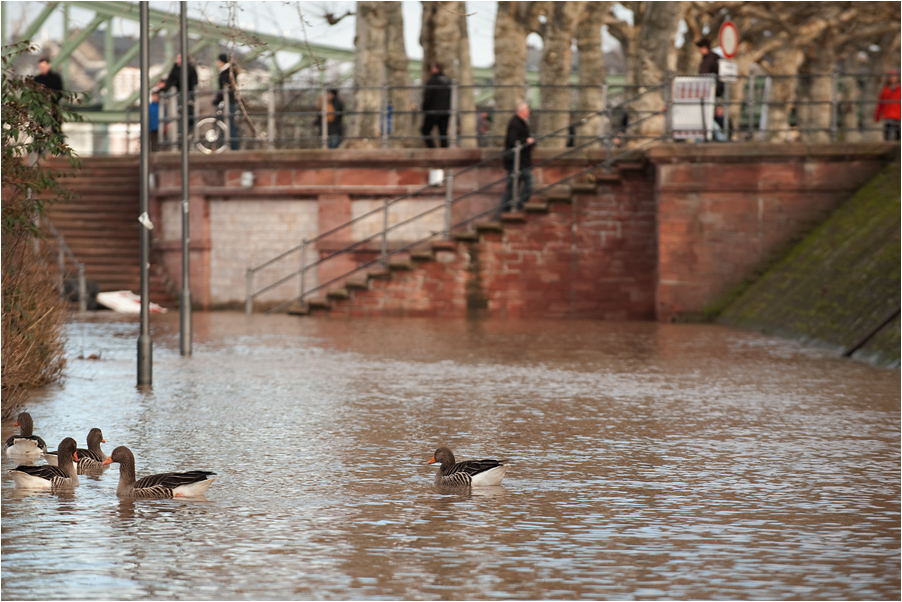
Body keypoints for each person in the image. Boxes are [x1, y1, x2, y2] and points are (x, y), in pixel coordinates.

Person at [498, 102, 535, 215]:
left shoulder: (521, 122)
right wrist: (527, 141)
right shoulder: (515, 123)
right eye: (527, 109)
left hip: (520, 161)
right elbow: (513, 140)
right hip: (517, 162)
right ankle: (516, 205)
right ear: (522, 111)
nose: (529, 111)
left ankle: (505, 210)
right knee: (529, 182)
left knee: (512, 186)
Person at [159, 53, 198, 134]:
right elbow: (170, 80)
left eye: (179, 58)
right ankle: (181, 132)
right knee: (180, 113)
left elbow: (194, 82)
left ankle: (189, 131)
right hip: (179, 94)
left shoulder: (190, 68)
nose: (177, 60)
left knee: (189, 113)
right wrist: (164, 89)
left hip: (189, 93)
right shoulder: (175, 68)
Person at [421, 62, 452, 148]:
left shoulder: (432, 80)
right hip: (446, 111)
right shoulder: (448, 80)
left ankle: (432, 149)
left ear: (434, 68)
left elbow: (428, 97)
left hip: (433, 111)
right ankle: (444, 151)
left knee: (425, 130)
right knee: (443, 133)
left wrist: (424, 109)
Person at [32, 57, 64, 138]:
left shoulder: (56, 78)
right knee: (39, 130)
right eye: (41, 67)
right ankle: (39, 149)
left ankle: (60, 149)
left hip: (54, 108)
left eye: (44, 66)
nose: (42, 69)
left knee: (56, 130)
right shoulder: (37, 79)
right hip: (41, 109)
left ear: (48, 66)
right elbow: (33, 94)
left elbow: (60, 93)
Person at [214, 52, 240, 150]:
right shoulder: (230, 71)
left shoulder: (226, 73)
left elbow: (224, 89)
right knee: (227, 124)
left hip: (229, 102)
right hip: (229, 101)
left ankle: (233, 147)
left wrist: (217, 99)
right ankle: (228, 146)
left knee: (229, 124)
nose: (217, 63)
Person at [874, 70, 900, 141]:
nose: (892, 78)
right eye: (890, 76)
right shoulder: (885, 90)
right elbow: (880, 104)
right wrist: (877, 116)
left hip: (898, 116)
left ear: (897, 78)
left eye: (894, 76)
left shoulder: (900, 89)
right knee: (887, 136)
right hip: (888, 116)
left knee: (898, 136)